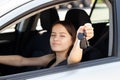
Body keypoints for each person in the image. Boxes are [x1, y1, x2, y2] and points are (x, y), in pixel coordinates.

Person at [0, 21, 94, 68]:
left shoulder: (71, 60)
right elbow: (22, 61)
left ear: (72, 40)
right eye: (53, 35)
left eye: (62, 36)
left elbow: (73, 60)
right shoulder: (51, 58)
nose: (55, 39)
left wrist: (80, 39)